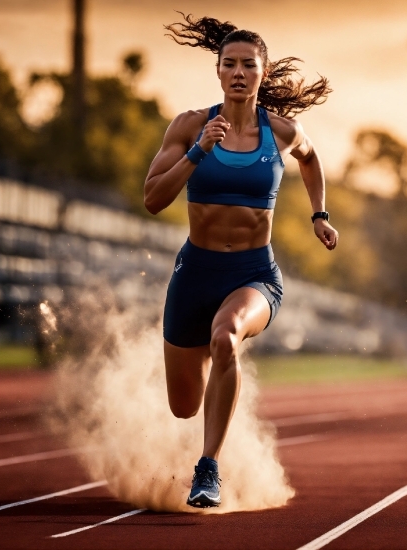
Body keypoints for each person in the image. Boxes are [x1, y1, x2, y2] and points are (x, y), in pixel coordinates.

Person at [144, 13, 338, 508]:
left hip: (253, 275)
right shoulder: (189, 125)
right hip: (196, 274)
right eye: (228, 63)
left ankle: (208, 470)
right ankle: (211, 384)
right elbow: (152, 199)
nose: (237, 72)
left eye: (247, 65)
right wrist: (196, 154)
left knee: (226, 335)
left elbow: (311, 158)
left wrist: (319, 214)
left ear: (261, 73)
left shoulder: (282, 131)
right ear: (217, 71)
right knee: (184, 406)